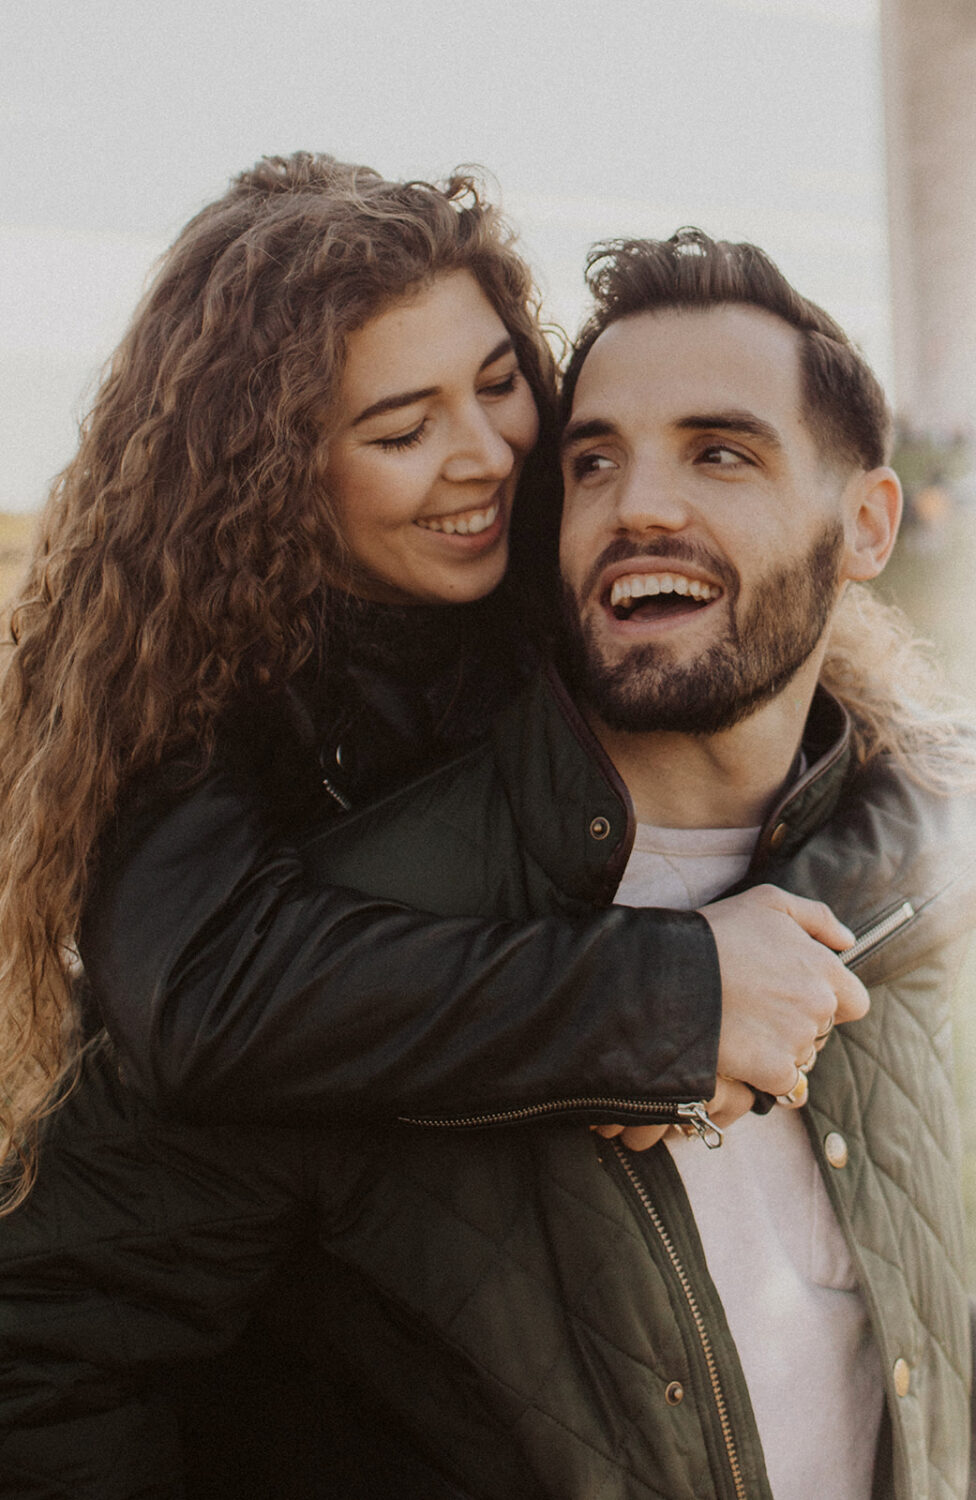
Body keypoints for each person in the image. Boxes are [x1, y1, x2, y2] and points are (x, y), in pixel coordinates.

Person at [0, 159, 867, 1496]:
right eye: (402, 430)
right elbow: (208, 995)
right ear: (277, 476)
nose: (488, 456)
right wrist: (668, 1002)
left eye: (502, 381)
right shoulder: (198, 698)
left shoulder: (574, 582)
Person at [193, 230, 970, 1495]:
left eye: (719, 451)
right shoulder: (341, 903)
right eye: (593, 461)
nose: (639, 504)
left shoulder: (917, 858)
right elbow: (54, 1353)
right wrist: (662, 1001)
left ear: (868, 523)